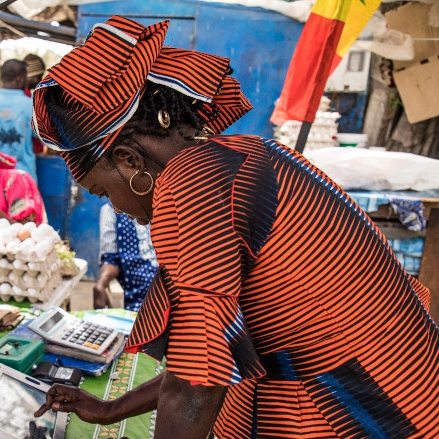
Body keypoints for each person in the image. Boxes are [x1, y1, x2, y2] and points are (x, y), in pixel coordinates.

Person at [32, 16, 439, 438]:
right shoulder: (246, 152)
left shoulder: (189, 186)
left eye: (102, 192)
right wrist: (112, 408)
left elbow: (197, 387)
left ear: (130, 162)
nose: (115, 206)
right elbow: (210, 353)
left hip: (362, 407)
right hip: (401, 378)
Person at [94, 202, 157, 311]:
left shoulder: (161, 205)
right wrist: (100, 284)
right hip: (139, 300)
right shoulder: (111, 211)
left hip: (172, 293)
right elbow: (110, 260)